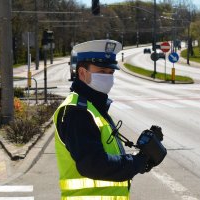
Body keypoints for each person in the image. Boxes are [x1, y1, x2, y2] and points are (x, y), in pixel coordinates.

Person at [53, 40, 153, 200]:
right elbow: (93, 164)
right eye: (101, 71)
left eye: (110, 73)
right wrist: (134, 163)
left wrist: (141, 158)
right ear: (82, 73)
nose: (107, 78)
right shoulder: (78, 111)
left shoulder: (93, 107)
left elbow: (106, 155)